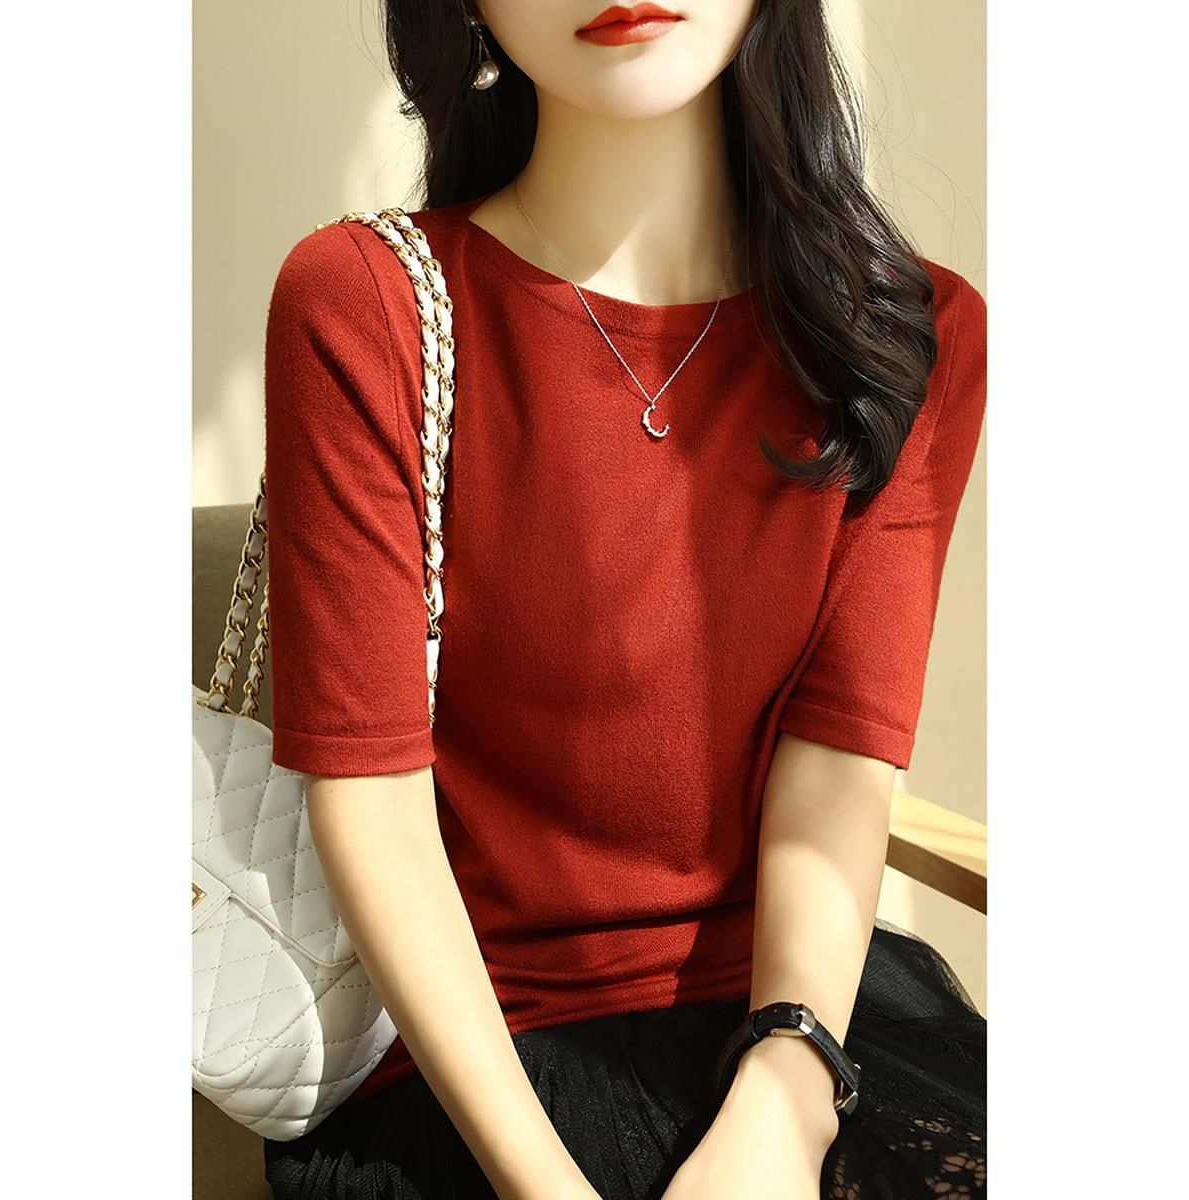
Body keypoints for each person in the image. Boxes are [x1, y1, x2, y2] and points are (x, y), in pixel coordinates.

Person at [259, 2, 987, 1197]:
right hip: (479, 1060)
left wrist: (786, 1100)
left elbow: (838, 762)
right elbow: (373, 807)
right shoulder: (361, 304)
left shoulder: (908, 337)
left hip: (795, 1007)